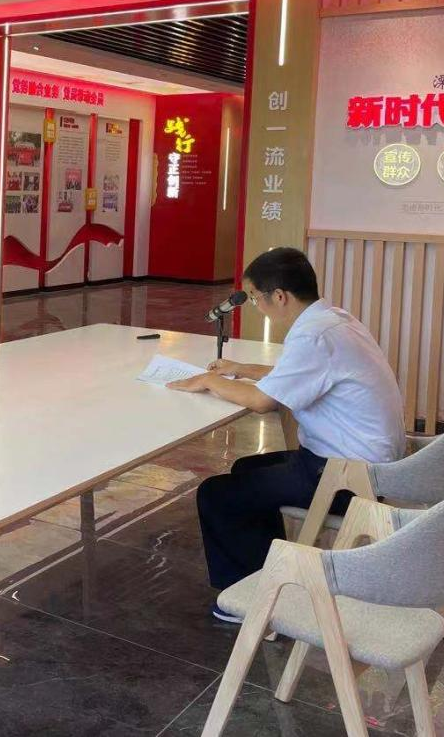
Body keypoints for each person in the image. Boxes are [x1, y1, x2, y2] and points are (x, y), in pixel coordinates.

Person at [166, 247, 404, 617]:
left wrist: (209, 380)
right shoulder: (333, 320)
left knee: (216, 494)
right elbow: (302, 375)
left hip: (346, 476)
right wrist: (241, 369)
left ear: (279, 296)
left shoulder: (313, 336)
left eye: (256, 298)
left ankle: (252, 603)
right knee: (245, 469)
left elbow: (262, 401)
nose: (257, 307)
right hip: (370, 464)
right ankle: (266, 574)